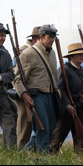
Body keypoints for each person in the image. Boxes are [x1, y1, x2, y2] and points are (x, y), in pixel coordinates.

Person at [13, 24, 59, 153]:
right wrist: (24, 95)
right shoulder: (29, 54)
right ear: (41, 37)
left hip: (50, 95)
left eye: (53, 37)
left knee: (49, 130)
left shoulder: (53, 53)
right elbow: (16, 78)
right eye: (49, 37)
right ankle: (43, 159)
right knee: (42, 129)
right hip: (37, 96)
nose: (52, 40)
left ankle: (21, 156)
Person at [50, 42, 83, 153]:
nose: (81, 56)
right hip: (67, 110)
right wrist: (67, 105)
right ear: (71, 56)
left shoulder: (82, 70)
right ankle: (49, 158)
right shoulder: (65, 70)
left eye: (82, 54)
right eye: (78, 54)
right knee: (58, 137)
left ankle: (80, 161)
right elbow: (60, 89)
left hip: (81, 108)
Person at [15, 25, 40, 148]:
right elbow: (17, 75)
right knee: (25, 123)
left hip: (35, 92)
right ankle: (21, 148)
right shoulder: (25, 51)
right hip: (25, 91)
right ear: (35, 38)